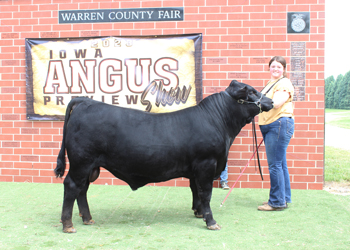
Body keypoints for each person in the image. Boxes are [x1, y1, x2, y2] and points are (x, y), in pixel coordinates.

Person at [257, 56, 295, 211]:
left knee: (275, 165)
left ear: (284, 69)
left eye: (279, 67)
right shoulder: (270, 84)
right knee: (280, 163)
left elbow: (277, 103)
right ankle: (283, 198)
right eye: (273, 66)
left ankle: (277, 201)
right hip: (270, 125)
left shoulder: (284, 83)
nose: (276, 69)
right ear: (269, 68)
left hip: (278, 124)